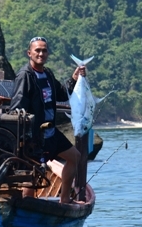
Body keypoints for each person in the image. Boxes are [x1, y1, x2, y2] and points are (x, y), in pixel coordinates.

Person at [9, 36, 86, 203]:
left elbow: (60, 94)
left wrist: (74, 79)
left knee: (75, 157)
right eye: (37, 50)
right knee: (33, 171)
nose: (41, 53)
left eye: (44, 50)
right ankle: (27, 206)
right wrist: (25, 137)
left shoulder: (48, 73)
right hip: (35, 136)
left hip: (50, 132)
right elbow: (16, 107)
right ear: (29, 53)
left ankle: (65, 200)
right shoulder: (25, 76)